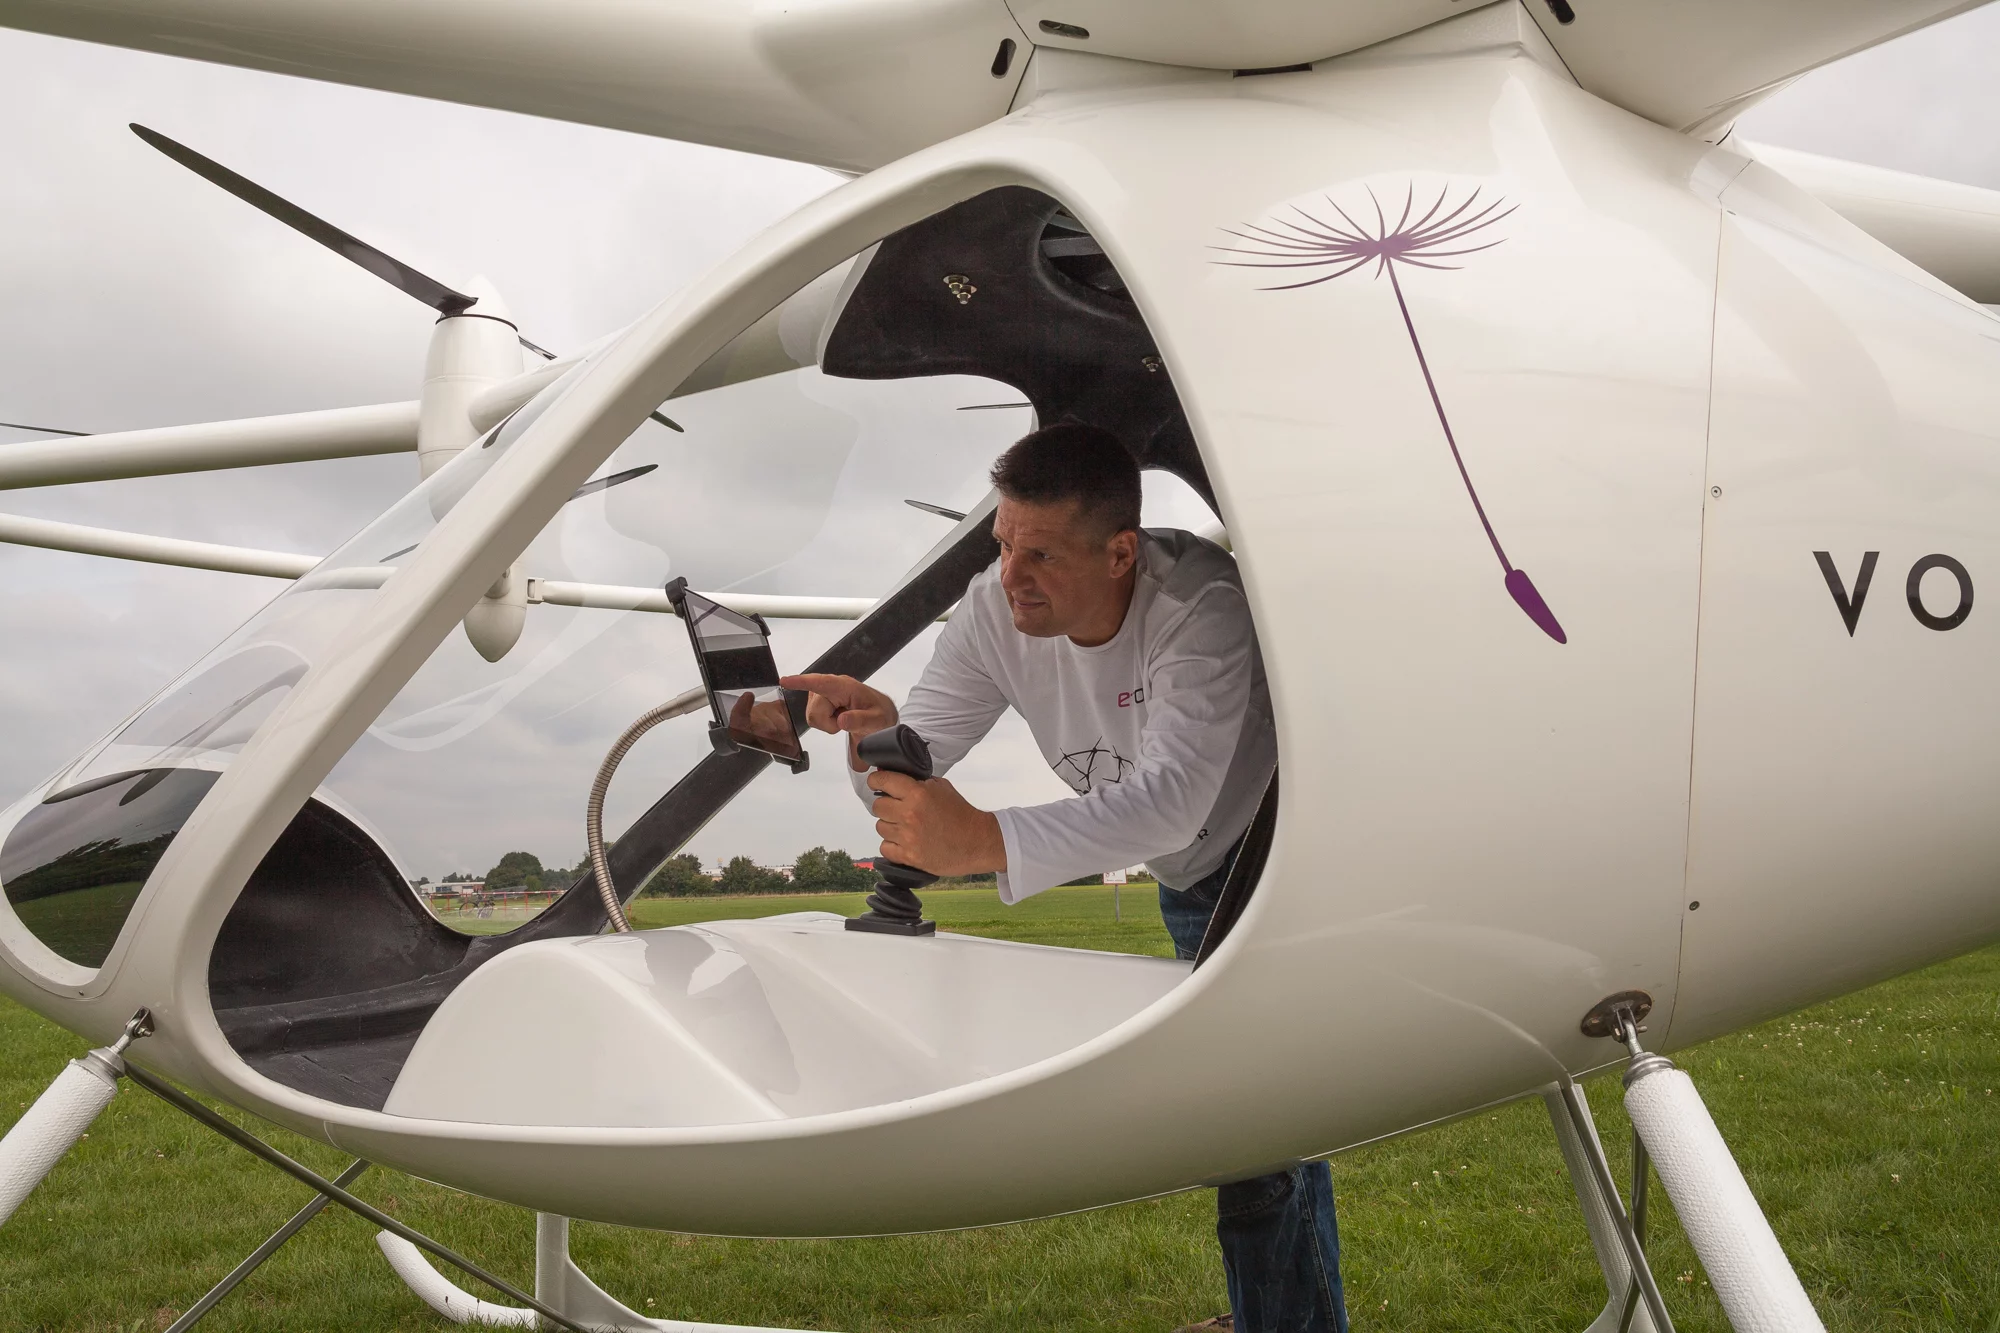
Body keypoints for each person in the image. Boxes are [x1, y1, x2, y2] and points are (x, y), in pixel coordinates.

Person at [782, 421, 1348, 1333]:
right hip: (1187, 876)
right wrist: (875, 738)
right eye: (1004, 544)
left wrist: (983, 840)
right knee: (1241, 1125)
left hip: (1268, 854)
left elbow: (1174, 801)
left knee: (1257, 1128)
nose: (1011, 576)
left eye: (1039, 554)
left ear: (1120, 551)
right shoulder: (990, 610)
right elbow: (919, 761)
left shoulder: (1202, 606)